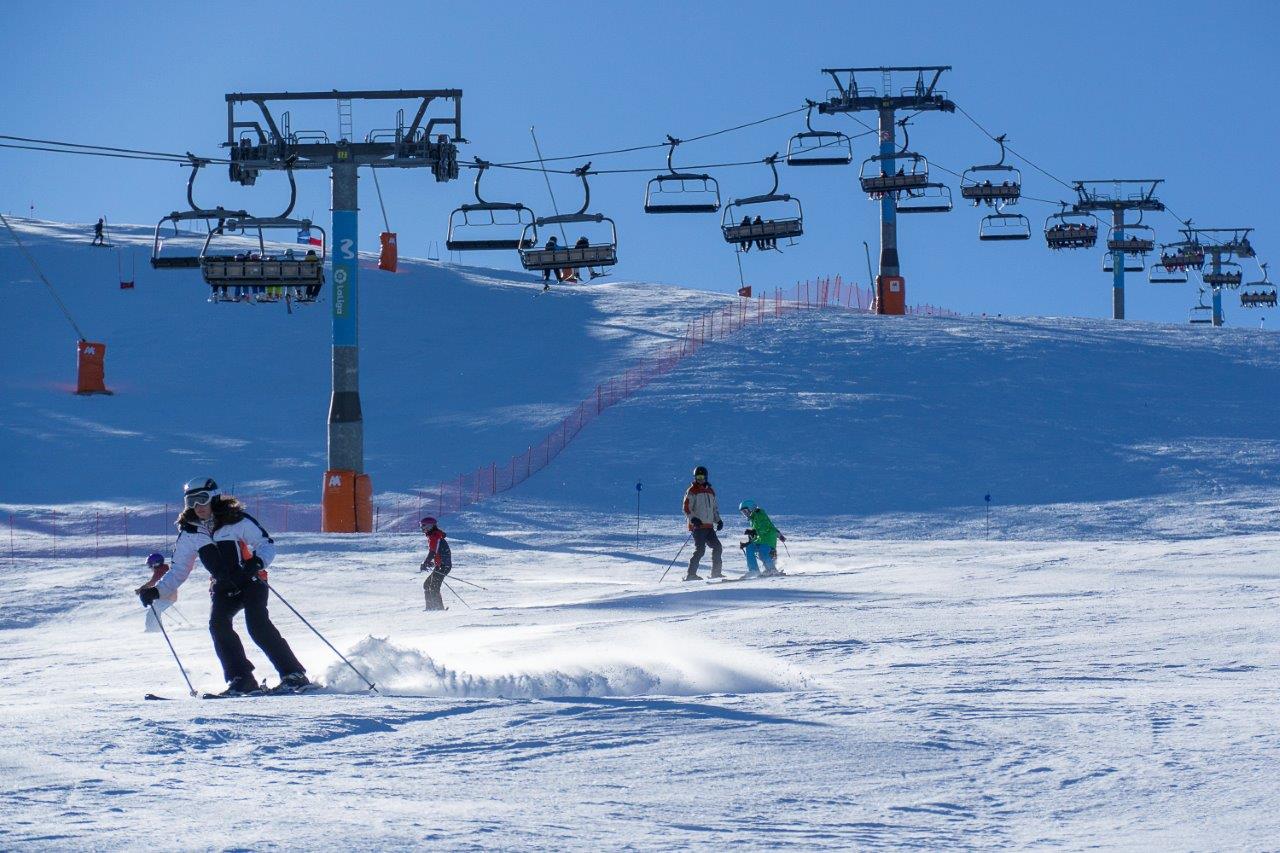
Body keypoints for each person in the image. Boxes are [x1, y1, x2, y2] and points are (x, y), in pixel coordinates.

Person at [137, 477, 308, 695]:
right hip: (222, 587)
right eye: (191, 502)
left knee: (257, 625)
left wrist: (256, 562)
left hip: (250, 580)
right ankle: (242, 679)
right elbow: (179, 569)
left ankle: (293, 675)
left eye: (202, 500)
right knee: (218, 626)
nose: (197, 507)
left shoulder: (236, 521)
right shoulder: (190, 533)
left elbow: (265, 544)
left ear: (214, 498)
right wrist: (157, 591)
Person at [681, 465, 723, 580]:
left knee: (718, 547)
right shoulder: (692, 490)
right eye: (697, 477)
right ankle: (691, 574)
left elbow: (714, 509)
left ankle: (716, 573)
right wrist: (693, 519)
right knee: (700, 550)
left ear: (706, 477)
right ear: (695, 477)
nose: (700, 479)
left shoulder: (710, 491)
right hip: (698, 527)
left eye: (702, 476)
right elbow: (686, 508)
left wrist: (718, 521)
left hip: (709, 526)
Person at [737, 499, 785, 578]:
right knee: (749, 548)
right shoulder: (752, 519)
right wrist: (748, 543)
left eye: (745, 511)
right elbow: (757, 534)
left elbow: (765, 527)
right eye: (743, 513)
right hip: (760, 540)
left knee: (763, 552)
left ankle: (771, 569)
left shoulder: (760, 513)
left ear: (751, 508)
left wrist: (754, 531)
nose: (745, 514)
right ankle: (754, 570)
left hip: (768, 539)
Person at [417, 517, 452, 611]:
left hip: (443, 566)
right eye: (421, 525)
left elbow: (433, 551)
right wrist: (433, 562)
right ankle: (431, 607)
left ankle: (438, 608)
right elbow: (438, 552)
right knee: (427, 585)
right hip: (441, 565)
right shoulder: (434, 535)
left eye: (423, 525)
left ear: (430, 526)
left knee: (433, 586)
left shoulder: (435, 536)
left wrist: (426, 562)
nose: (422, 527)